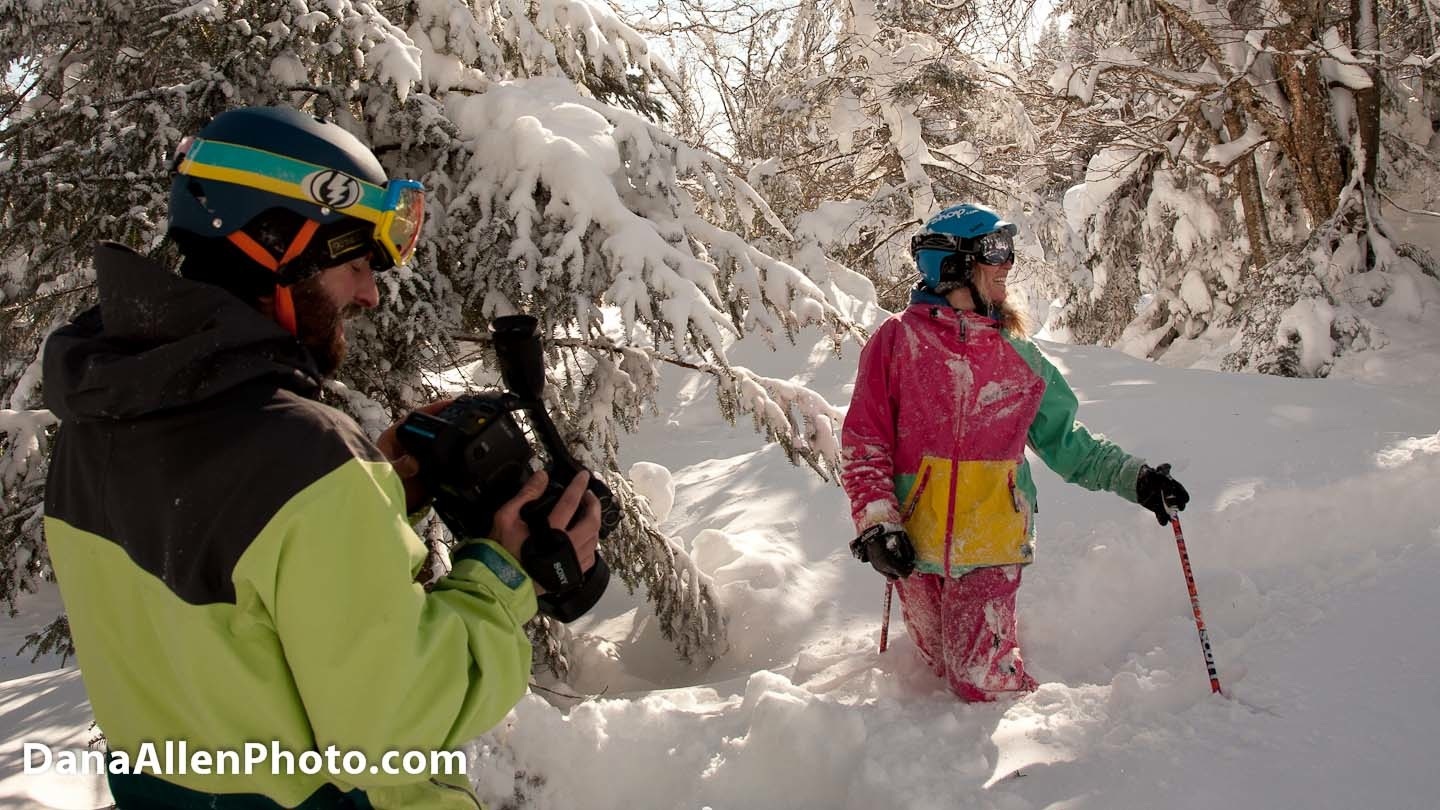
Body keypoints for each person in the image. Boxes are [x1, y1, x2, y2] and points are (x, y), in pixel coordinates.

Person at [42, 106, 600, 809]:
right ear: (277, 241)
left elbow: (233, 605)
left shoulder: (98, 421)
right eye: (358, 263)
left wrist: (386, 488)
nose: (369, 294)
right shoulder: (303, 456)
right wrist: (501, 577)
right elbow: (395, 722)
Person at [840, 202, 1190, 702]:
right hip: (912, 546)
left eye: (1009, 250)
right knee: (938, 671)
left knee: (981, 681)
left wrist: (1137, 478)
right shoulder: (898, 343)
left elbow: (1071, 446)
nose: (1007, 264)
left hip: (992, 542)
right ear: (955, 263)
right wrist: (878, 523)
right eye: (995, 250)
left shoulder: (1019, 359)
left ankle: (1031, 727)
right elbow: (865, 440)